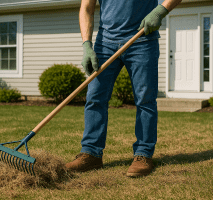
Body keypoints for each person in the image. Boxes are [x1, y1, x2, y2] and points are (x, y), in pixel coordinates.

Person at [66, 0, 182, 177]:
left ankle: (143, 154)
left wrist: (160, 11)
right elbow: (86, 8)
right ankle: (91, 154)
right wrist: (87, 45)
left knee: (145, 99)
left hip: (142, 39)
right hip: (105, 43)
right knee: (94, 97)